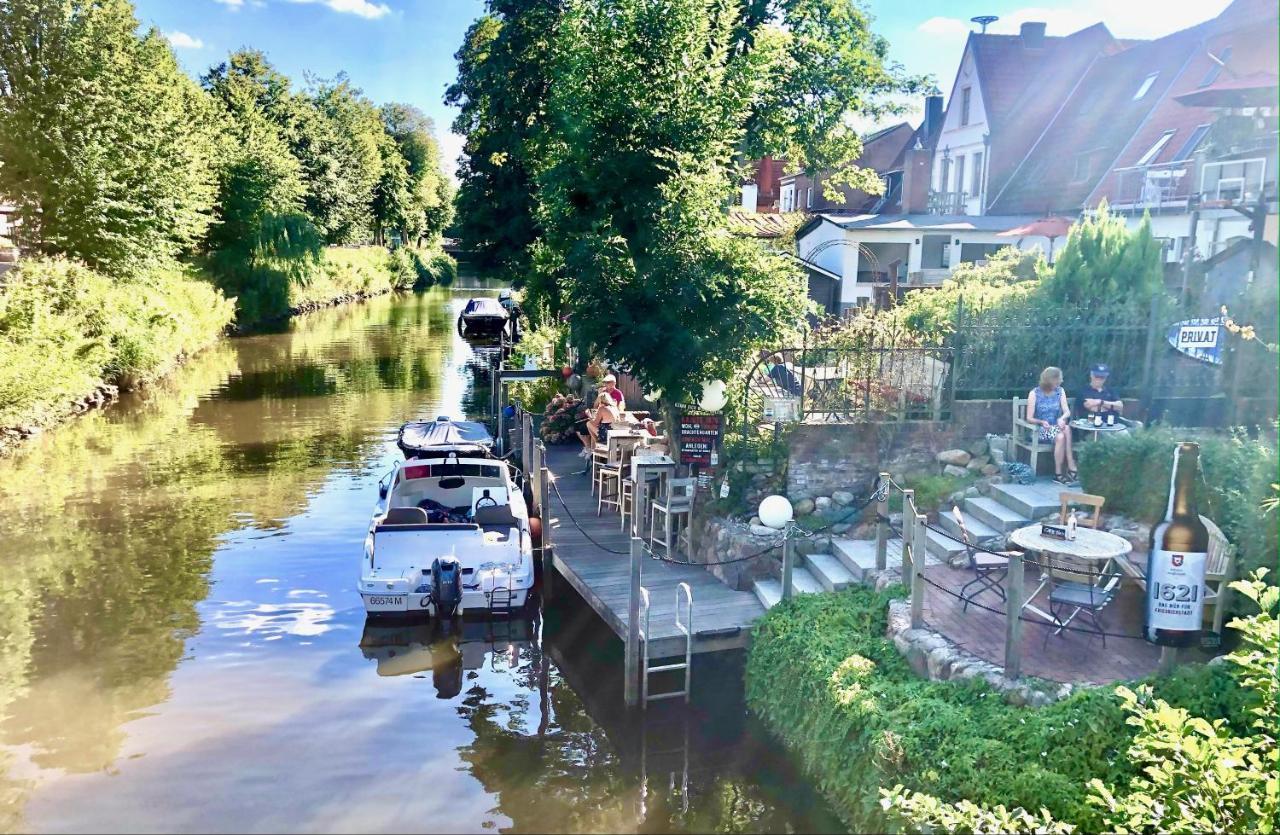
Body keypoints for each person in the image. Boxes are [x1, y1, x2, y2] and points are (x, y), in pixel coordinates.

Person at [1027, 366, 1077, 485]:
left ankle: (1058, 473)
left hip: (1056, 428)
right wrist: (1041, 422)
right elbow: (1029, 418)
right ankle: (1071, 467)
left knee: (1062, 434)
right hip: (1041, 429)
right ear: (1051, 380)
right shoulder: (1034, 393)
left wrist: (1062, 418)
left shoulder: (1060, 391)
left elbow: (1067, 411)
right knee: (1065, 431)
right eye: (1059, 379)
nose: (1061, 381)